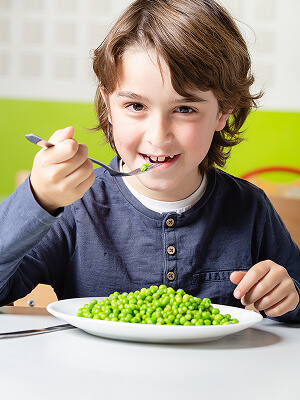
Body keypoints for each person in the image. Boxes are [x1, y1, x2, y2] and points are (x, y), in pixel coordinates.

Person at [0, 0, 299, 322]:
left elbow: (295, 296)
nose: (159, 136)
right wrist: (39, 198)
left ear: (223, 111)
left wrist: (290, 297)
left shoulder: (249, 206)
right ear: (108, 104)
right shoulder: (75, 207)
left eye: (185, 109)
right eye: (136, 106)